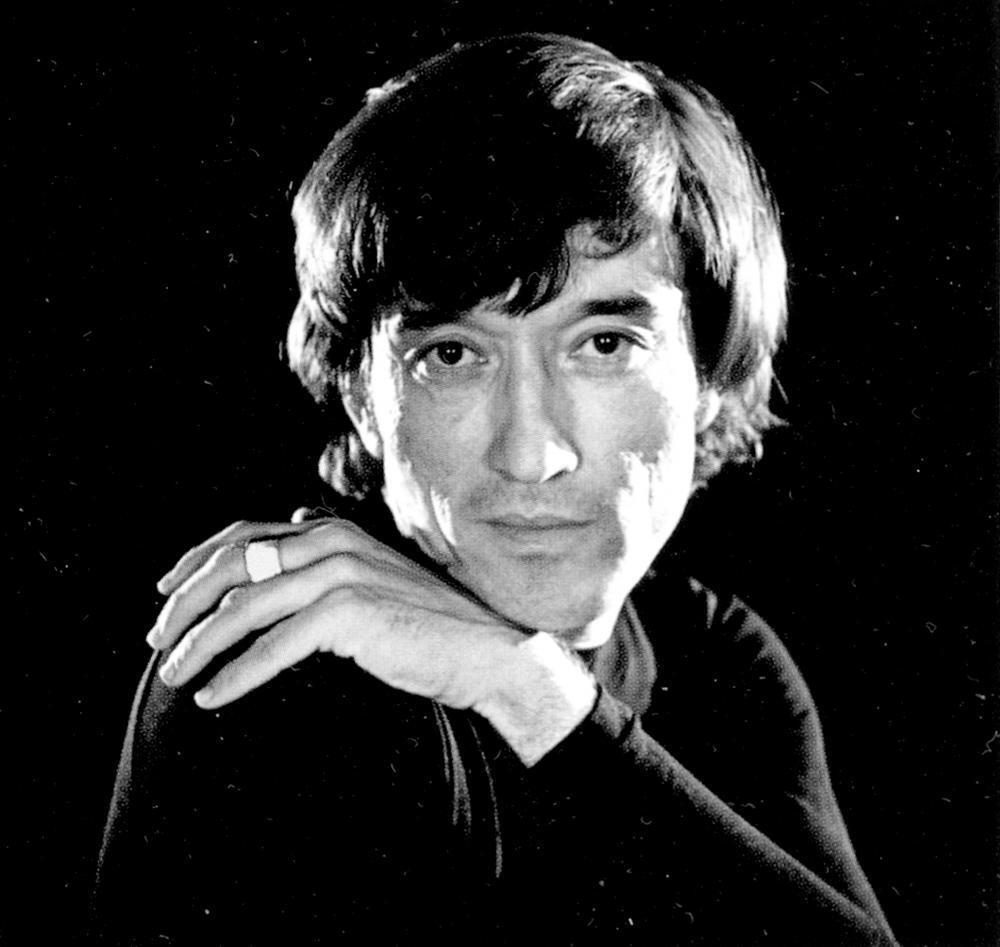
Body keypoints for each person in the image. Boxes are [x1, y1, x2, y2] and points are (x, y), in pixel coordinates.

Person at [94, 33, 898, 945]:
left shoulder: (708, 650)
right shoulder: (291, 657)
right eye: (452, 355)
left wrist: (531, 689)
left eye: (603, 344)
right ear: (362, 398)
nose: (530, 455)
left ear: (709, 375)